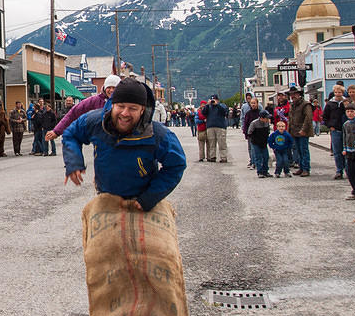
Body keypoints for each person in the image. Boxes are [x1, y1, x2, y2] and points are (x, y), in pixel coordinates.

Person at [61, 78, 187, 212]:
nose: (125, 113)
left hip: (143, 200)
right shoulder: (96, 122)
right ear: (113, 104)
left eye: (133, 108)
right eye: (120, 106)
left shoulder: (157, 134)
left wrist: (150, 196)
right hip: (106, 198)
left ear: (142, 110)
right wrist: (73, 162)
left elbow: (177, 164)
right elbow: (71, 134)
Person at [46, 74, 121, 142]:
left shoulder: (126, 102)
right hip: (102, 142)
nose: (111, 90)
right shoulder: (95, 100)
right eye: (109, 87)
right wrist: (57, 131)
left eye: (114, 87)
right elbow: (73, 113)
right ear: (104, 88)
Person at [323, 84, 348, 179]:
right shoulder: (330, 103)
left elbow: (351, 113)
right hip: (335, 130)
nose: (338, 94)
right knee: (337, 151)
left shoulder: (346, 102)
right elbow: (325, 116)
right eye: (336, 92)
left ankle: (348, 170)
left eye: (340, 92)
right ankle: (339, 170)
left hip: (346, 130)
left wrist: (346, 106)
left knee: (346, 151)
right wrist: (330, 126)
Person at [287, 87, 313, 176]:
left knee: (304, 150)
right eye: (291, 94)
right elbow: (290, 119)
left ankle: (306, 168)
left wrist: (304, 130)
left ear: (299, 94)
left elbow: (308, 118)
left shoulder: (306, 104)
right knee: (298, 151)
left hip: (303, 131)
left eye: (294, 94)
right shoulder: (292, 105)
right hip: (294, 131)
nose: (292, 96)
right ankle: (301, 168)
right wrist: (288, 131)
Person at [246, 110, 272, 177]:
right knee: (258, 157)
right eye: (266, 118)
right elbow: (249, 132)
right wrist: (254, 139)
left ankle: (265, 171)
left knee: (266, 157)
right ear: (261, 118)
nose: (267, 119)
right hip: (256, 143)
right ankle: (259, 172)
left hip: (264, 142)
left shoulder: (266, 123)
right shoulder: (254, 123)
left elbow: (268, 131)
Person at [203, 94, 228, 162]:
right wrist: (207, 105)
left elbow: (224, 112)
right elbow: (204, 113)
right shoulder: (208, 107)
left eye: (214, 99)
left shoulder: (222, 105)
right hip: (210, 126)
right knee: (211, 143)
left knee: (222, 143)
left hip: (220, 126)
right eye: (212, 100)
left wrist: (217, 105)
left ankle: (223, 157)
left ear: (217, 100)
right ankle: (212, 156)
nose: (213, 101)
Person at [241, 96, 261, 169]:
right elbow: (246, 123)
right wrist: (245, 132)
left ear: (257, 104)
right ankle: (253, 162)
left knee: (258, 148)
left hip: (259, 133)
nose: (253, 105)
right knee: (251, 148)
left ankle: (259, 161)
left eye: (254, 103)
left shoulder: (260, 113)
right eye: (251, 103)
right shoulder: (248, 113)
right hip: (251, 134)